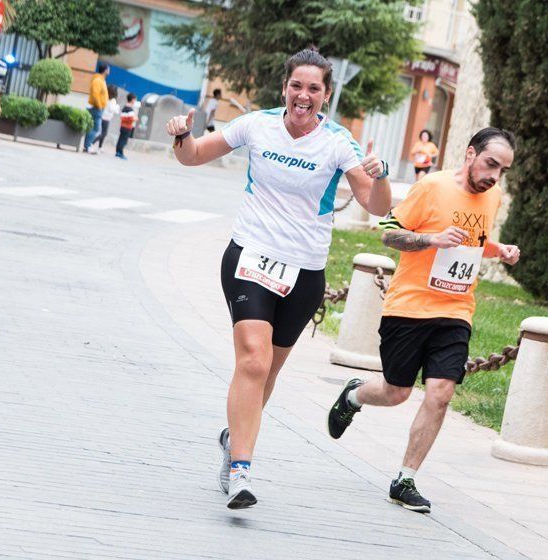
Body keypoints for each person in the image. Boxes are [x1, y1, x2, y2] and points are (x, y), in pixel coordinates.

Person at [165, 48, 393, 510]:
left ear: (325, 95)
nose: (303, 95)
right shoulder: (257, 124)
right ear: (284, 88)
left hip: (304, 271)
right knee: (252, 359)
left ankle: (234, 437)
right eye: (296, 86)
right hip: (249, 256)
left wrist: (381, 175)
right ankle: (241, 472)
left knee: (267, 372)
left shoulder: (337, 142)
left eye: (313, 88)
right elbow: (192, 157)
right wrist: (182, 135)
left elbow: (378, 206)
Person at [327, 127, 521, 513]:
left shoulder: (492, 196)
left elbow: (474, 241)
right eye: (490, 164)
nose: (494, 176)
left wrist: (501, 251)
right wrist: (431, 240)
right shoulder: (432, 187)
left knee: (441, 392)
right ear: (470, 154)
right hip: (409, 307)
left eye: (503, 170)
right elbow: (387, 231)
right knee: (396, 392)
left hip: (456, 311)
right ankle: (353, 394)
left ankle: (405, 479)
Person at [83, 63, 109, 154]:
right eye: (108, 69)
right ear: (105, 70)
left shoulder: (101, 80)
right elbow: (95, 94)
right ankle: (88, 146)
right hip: (96, 108)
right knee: (95, 128)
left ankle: (87, 146)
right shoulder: (98, 80)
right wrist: (99, 105)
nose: (109, 71)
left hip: (98, 107)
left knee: (93, 127)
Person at [115, 93, 138, 160]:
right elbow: (131, 118)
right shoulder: (130, 109)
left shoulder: (124, 108)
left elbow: (122, 117)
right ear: (132, 100)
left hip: (122, 126)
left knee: (120, 139)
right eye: (135, 100)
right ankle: (121, 153)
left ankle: (117, 152)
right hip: (127, 127)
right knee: (123, 141)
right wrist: (135, 118)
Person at [99, 84, 120, 151]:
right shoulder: (113, 100)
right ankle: (92, 143)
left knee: (102, 132)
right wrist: (117, 107)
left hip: (102, 115)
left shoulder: (105, 97)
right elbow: (112, 109)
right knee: (104, 133)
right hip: (107, 118)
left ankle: (100, 147)